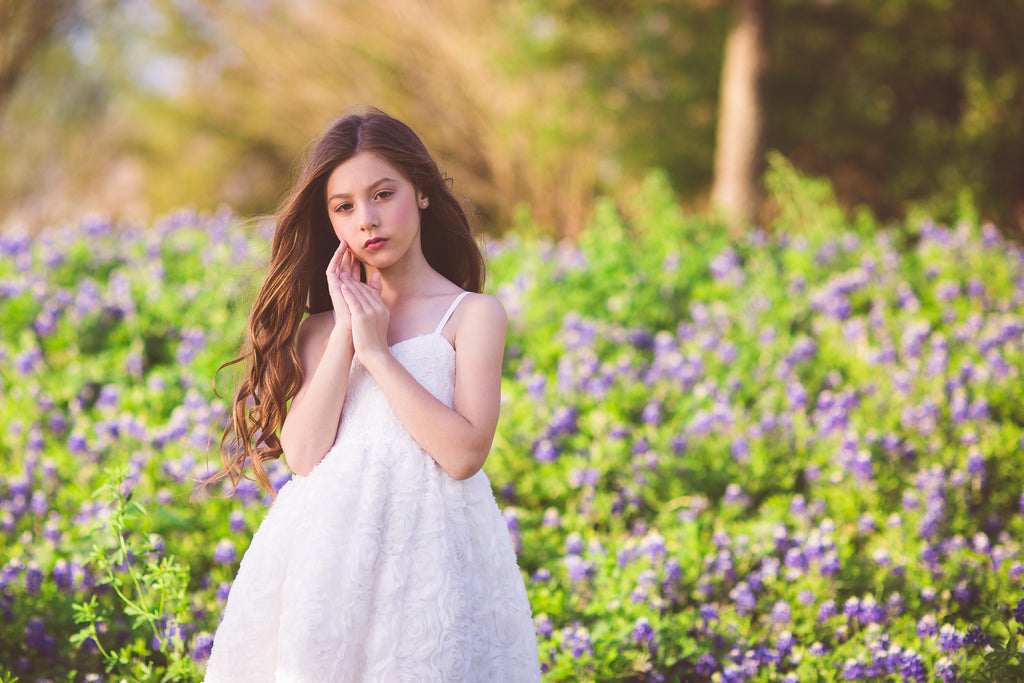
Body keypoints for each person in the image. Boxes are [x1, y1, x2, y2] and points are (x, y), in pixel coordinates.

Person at [201, 107, 540, 681]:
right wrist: (347, 338)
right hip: (328, 557)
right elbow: (305, 456)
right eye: (345, 207)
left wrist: (379, 354)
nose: (367, 220)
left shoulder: (472, 315)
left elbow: (462, 455)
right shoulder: (318, 329)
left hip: (431, 557)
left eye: (383, 194)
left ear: (423, 193)